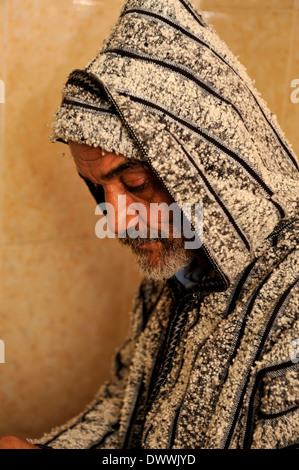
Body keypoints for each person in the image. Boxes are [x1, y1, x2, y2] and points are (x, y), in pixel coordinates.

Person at [1, 0, 298, 450]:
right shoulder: (172, 268)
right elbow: (124, 404)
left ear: (206, 166)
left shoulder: (290, 302)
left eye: (136, 182)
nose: (116, 218)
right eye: (99, 189)